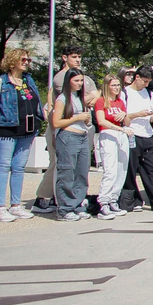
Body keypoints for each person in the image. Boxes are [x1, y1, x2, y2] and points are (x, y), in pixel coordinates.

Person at [0, 47, 45, 222]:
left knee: (19, 167)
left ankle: (15, 205)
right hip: (7, 129)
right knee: (3, 167)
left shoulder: (28, 81)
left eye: (28, 60)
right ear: (12, 61)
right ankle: (0, 207)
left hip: (27, 130)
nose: (26, 63)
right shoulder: (0, 82)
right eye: (23, 60)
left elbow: (34, 102)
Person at [32, 45, 83, 210]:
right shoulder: (60, 77)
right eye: (74, 57)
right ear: (64, 58)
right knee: (58, 164)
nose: (78, 60)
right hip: (60, 128)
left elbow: (93, 95)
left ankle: (61, 197)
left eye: (79, 57)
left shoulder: (80, 76)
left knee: (72, 166)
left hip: (75, 127)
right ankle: (42, 198)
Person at [50, 68, 95, 219]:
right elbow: (56, 122)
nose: (79, 84)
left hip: (82, 136)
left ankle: (77, 204)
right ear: (68, 81)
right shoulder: (63, 99)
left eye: (81, 81)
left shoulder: (80, 98)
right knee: (67, 173)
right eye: (76, 81)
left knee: (81, 173)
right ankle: (64, 208)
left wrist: (86, 119)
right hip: (68, 137)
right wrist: (76, 118)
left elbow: (84, 118)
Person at [120, 66, 153, 210]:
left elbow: (152, 118)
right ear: (137, 77)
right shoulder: (125, 93)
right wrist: (138, 114)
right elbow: (123, 117)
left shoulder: (149, 93)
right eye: (144, 81)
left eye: (148, 82)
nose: (146, 84)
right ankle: (133, 200)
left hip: (148, 134)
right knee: (130, 169)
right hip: (132, 133)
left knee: (152, 169)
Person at [92, 73, 132, 217]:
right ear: (107, 86)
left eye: (118, 85)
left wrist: (124, 115)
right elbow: (101, 121)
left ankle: (114, 199)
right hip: (108, 134)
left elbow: (127, 121)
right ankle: (103, 201)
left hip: (122, 134)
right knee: (110, 170)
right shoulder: (101, 101)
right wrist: (119, 128)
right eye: (113, 85)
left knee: (122, 169)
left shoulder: (120, 101)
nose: (116, 88)